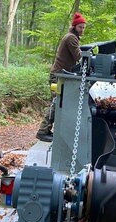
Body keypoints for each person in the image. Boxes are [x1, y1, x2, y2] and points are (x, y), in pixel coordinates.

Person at [36, 12, 87, 142]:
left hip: (61, 75)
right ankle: (42, 131)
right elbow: (79, 56)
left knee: (58, 103)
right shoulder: (71, 38)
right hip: (58, 76)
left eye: (84, 27)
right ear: (75, 26)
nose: (82, 30)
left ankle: (48, 130)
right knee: (56, 103)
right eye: (80, 27)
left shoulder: (71, 37)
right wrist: (89, 59)